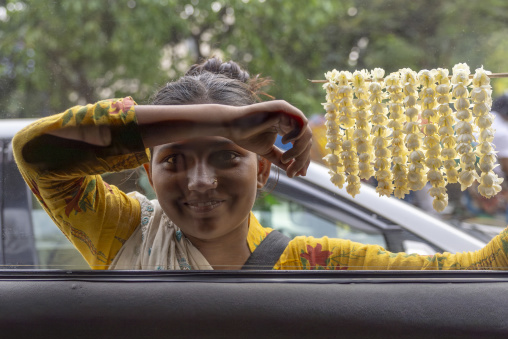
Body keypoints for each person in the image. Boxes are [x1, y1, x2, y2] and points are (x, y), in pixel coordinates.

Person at [12, 58, 508, 270]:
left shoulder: (311, 262)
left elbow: (480, 268)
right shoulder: (119, 230)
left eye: (227, 156)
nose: (201, 182)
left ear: (264, 169)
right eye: (175, 160)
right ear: (146, 169)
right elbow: (34, 152)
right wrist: (224, 124)